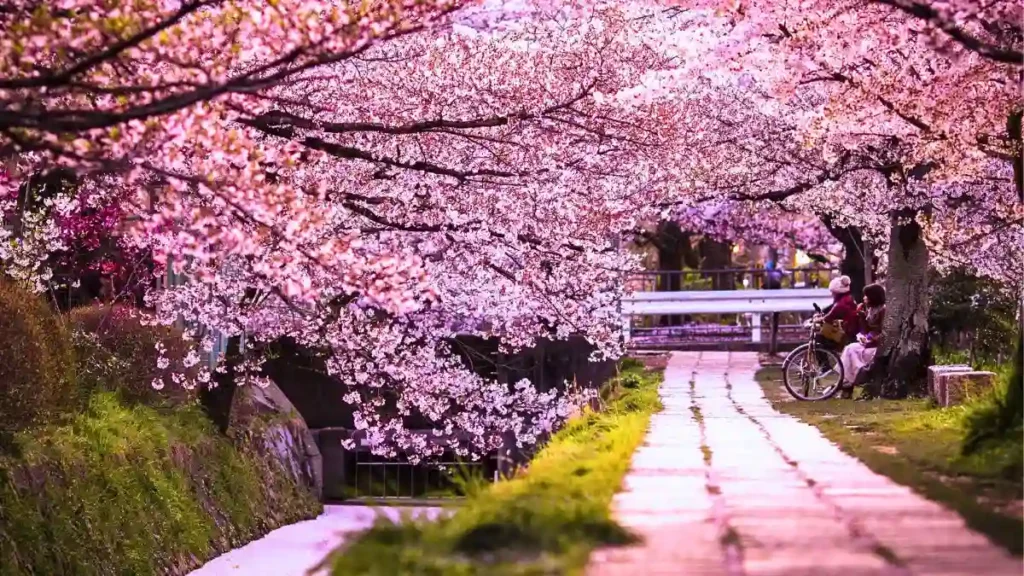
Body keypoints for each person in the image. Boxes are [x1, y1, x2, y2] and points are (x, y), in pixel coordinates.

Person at [838, 283, 886, 395]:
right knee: (849, 348)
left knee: (852, 352)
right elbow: (866, 330)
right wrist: (861, 316)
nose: (864, 298)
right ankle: (846, 384)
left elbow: (885, 332)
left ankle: (847, 385)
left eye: (866, 296)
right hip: (868, 343)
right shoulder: (870, 310)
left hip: (877, 346)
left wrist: (872, 339)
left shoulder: (883, 310)